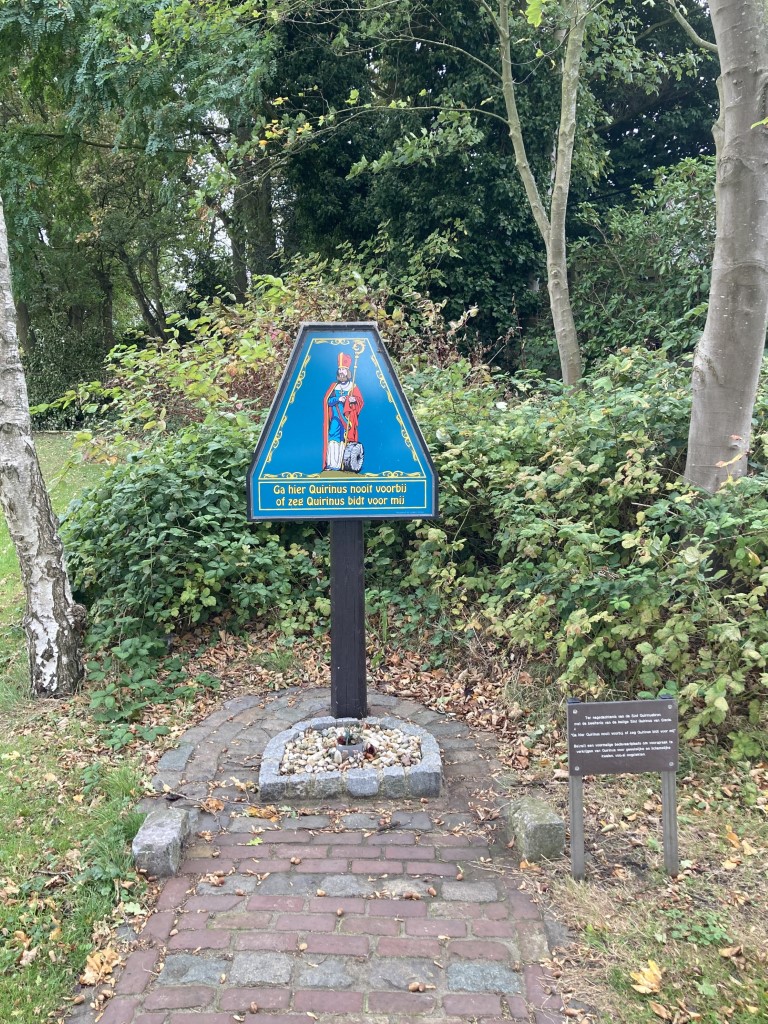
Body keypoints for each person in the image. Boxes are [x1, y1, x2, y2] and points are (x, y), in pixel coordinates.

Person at [323, 352, 363, 471]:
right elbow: (328, 401)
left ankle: (343, 464)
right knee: (333, 437)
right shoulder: (334, 386)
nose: (341, 372)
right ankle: (332, 464)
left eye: (344, 369)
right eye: (340, 369)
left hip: (347, 419)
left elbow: (360, 402)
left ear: (348, 372)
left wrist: (353, 400)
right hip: (336, 418)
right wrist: (338, 399)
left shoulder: (353, 387)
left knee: (344, 439)